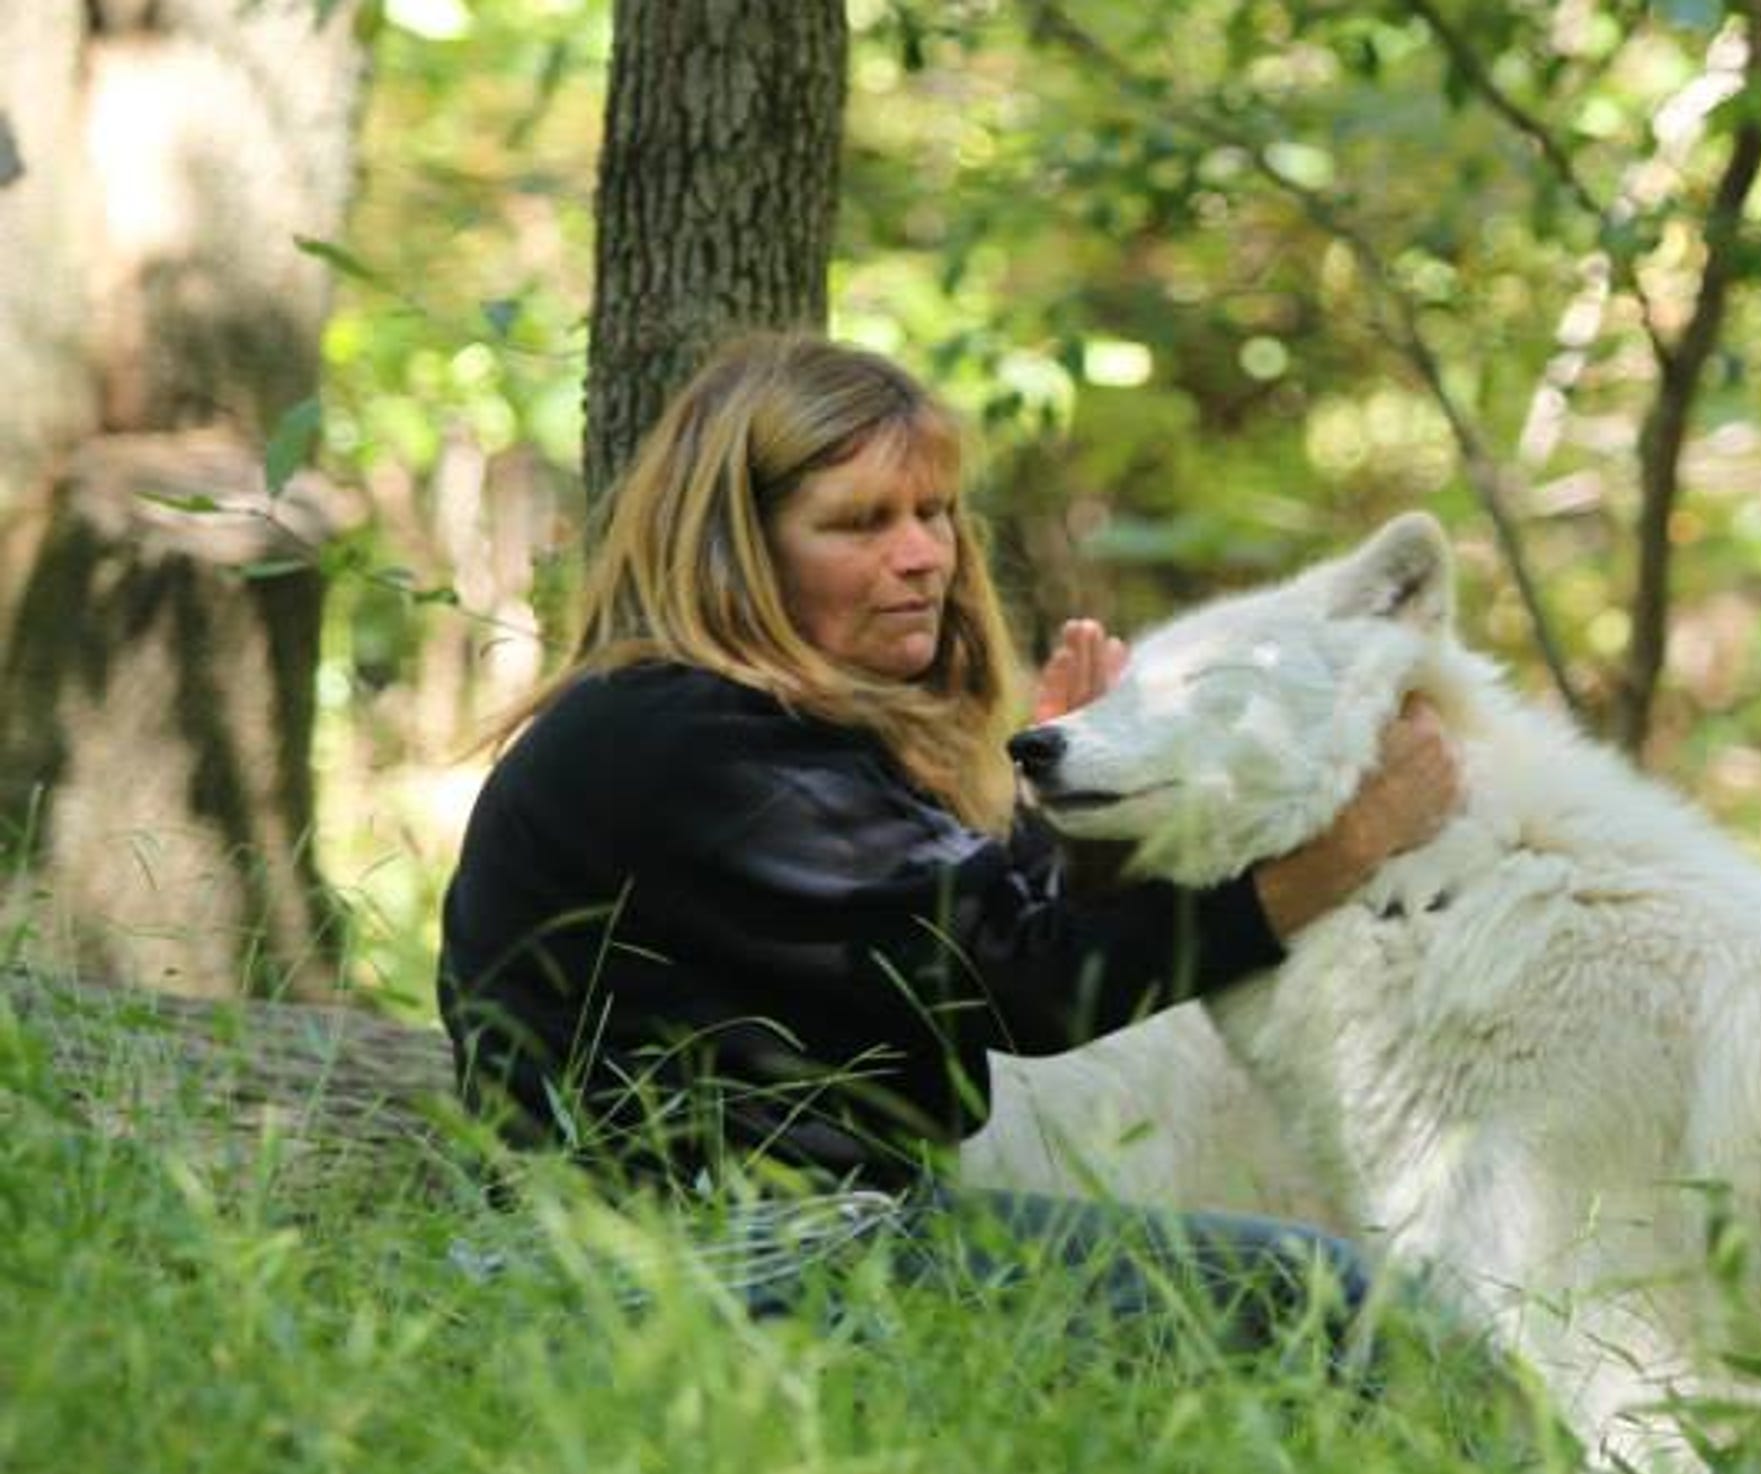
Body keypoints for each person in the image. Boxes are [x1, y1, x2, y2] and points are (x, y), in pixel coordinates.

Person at [437, 331, 1457, 1353]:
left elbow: (951, 957)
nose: (923, 554)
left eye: (931, 512)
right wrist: (1343, 852)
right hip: (696, 1262)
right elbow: (1023, 979)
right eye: (859, 523)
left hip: (735, 1242)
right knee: (1324, 1298)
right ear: (738, 551)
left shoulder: (727, 731)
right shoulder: (698, 748)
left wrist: (1068, 822)